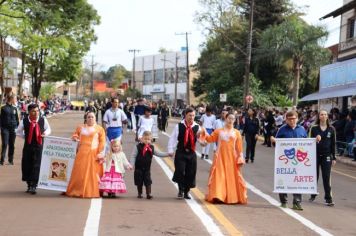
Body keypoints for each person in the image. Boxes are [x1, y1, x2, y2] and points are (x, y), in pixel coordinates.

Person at [200, 112, 247, 204]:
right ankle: (218, 196)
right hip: (219, 157)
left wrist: (240, 158)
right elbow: (210, 139)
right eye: (229, 118)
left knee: (231, 177)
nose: (230, 120)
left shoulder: (237, 133)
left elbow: (239, 147)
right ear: (225, 119)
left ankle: (232, 197)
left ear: (235, 120)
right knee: (219, 176)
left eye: (233, 119)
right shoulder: (218, 131)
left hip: (232, 158)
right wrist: (204, 132)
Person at [271, 111, 307, 211]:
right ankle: (283, 201)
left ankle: (297, 202)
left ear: (297, 118)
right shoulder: (282, 129)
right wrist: (273, 141)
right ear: (286, 119)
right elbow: (276, 144)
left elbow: (307, 144)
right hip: (285, 161)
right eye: (289, 119)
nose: (292, 121)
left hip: (298, 161)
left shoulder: (302, 129)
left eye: (293, 118)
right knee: (283, 179)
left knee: (298, 180)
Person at [66, 112, 106, 198]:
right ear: (86, 118)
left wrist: (100, 152)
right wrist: (75, 137)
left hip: (93, 153)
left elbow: (102, 141)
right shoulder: (80, 127)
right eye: (89, 117)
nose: (90, 118)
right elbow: (75, 134)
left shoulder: (100, 129)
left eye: (92, 117)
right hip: (81, 153)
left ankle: (90, 191)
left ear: (95, 118)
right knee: (80, 172)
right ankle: (77, 190)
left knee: (92, 173)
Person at [16, 104, 51, 194]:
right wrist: (26, 137)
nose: (36, 113)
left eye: (37, 111)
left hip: (39, 146)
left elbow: (48, 129)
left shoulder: (43, 120)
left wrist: (45, 134)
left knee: (37, 164)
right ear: (29, 112)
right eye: (33, 111)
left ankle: (34, 185)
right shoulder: (24, 121)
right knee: (27, 164)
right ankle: (29, 184)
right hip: (28, 146)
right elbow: (19, 132)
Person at [168, 108, 202, 199]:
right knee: (180, 171)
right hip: (181, 152)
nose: (191, 117)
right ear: (185, 115)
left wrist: (203, 142)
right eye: (190, 115)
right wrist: (170, 149)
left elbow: (200, 139)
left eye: (193, 115)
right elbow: (173, 138)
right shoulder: (179, 126)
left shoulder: (197, 127)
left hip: (191, 153)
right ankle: (180, 190)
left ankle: (187, 192)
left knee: (190, 173)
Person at [309, 110, 336, 206]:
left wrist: (334, 157)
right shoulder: (314, 128)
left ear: (327, 117)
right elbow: (308, 142)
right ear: (319, 116)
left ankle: (328, 198)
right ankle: (312, 194)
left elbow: (333, 144)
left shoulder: (331, 129)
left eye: (325, 114)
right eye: (321, 114)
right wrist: (315, 139)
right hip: (315, 155)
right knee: (314, 176)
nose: (323, 116)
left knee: (326, 177)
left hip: (327, 156)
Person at [130, 131, 168, 199]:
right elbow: (133, 156)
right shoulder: (137, 147)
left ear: (151, 140)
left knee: (148, 181)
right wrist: (131, 164)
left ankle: (148, 193)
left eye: (148, 139)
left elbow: (158, 153)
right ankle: (140, 193)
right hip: (138, 168)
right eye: (145, 139)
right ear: (141, 139)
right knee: (139, 181)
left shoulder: (152, 147)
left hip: (147, 168)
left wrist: (168, 154)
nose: (147, 141)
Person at [1, 94, 19, 165]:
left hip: (13, 129)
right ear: (11, 99)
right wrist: (1, 128)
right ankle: (2, 160)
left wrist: (17, 127)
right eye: (15, 99)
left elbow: (17, 119)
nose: (16, 100)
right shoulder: (3, 108)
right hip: (5, 129)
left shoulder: (15, 108)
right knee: (5, 144)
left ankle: (10, 160)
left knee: (12, 144)